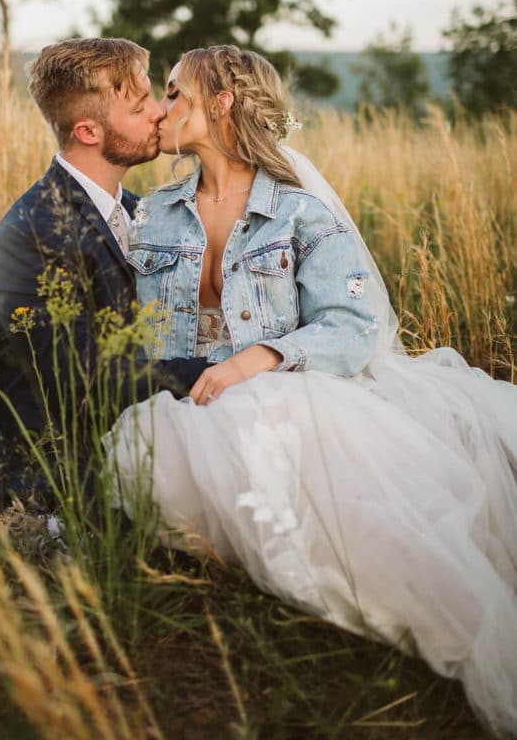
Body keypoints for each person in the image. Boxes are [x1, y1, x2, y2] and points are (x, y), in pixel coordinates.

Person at [106, 44, 517, 736]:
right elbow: (127, 324)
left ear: (222, 102)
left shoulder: (298, 214)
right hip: (183, 391)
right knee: (156, 442)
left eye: (173, 93)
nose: (160, 108)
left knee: (291, 449)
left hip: (282, 382)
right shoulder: (152, 214)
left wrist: (258, 359)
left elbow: (353, 324)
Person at [0, 37, 209, 509]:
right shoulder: (32, 233)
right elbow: (83, 379)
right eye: (139, 105)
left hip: (140, 426)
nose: (158, 114)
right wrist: (215, 372)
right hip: (65, 469)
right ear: (88, 132)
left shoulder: (136, 209)